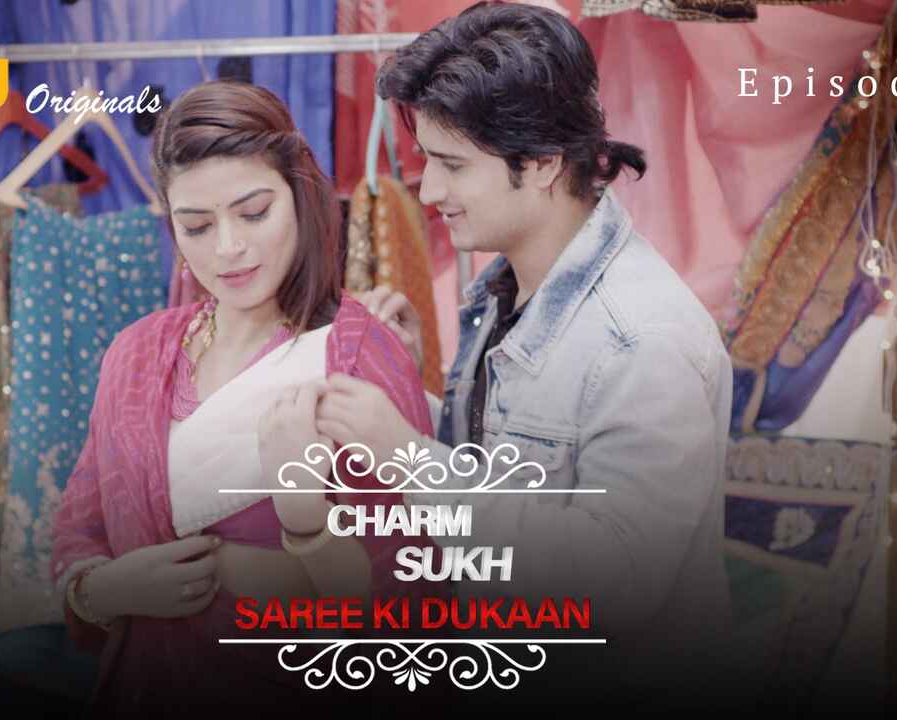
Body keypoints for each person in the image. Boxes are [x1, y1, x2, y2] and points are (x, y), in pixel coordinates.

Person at [316, 1, 736, 708]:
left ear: (542, 163)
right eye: (428, 160)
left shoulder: (641, 340)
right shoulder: (508, 292)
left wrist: (408, 458)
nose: (431, 190)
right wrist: (407, 397)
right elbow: (509, 476)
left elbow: (615, 586)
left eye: (452, 165)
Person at [48, 81, 437, 714]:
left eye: (253, 213)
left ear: (300, 196)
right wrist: (107, 590)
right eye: (196, 226)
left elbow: (415, 603)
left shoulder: (358, 354)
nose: (227, 248)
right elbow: (77, 532)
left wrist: (305, 527)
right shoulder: (136, 355)